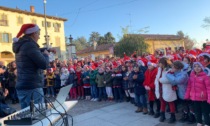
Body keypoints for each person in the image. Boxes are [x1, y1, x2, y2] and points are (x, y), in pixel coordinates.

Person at [12, 24, 49, 109]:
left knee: (28, 116)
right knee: (38, 117)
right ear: (33, 34)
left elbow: (32, 53)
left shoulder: (22, 45)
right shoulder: (30, 45)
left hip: (23, 85)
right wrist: (46, 55)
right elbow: (44, 64)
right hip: (32, 87)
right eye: (38, 34)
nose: (39, 37)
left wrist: (45, 50)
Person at [155, 57, 177, 123]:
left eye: (160, 63)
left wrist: (160, 80)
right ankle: (162, 115)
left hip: (168, 88)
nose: (159, 64)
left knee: (170, 102)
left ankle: (173, 116)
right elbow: (157, 77)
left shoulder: (169, 70)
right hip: (161, 88)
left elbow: (169, 79)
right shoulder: (160, 69)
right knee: (162, 102)